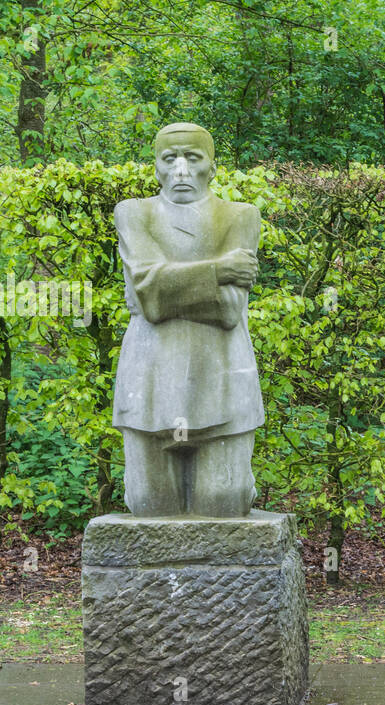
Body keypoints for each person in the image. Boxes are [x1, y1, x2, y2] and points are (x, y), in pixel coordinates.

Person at [112, 122, 264, 517]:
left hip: (223, 380)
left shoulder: (240, 216)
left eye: (192, 158)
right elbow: (150, 294)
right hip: (149, 383)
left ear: (212, 167)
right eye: (169, 159)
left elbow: (229, 310)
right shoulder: (133, 213)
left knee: (223, 507)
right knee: (148, 510)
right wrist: (219, 270)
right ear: (157, 167)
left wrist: (165, 288)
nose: (180, 170)